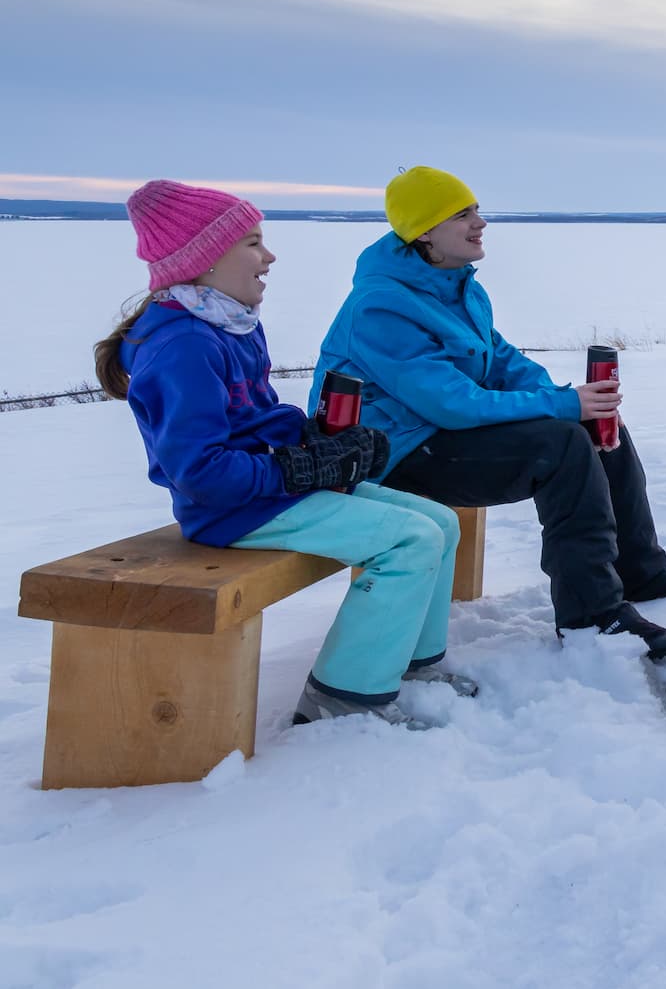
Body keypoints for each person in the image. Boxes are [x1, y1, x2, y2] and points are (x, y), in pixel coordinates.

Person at [310, 166, 666, 663]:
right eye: (461, 214)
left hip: (438, 435)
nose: (479, 222)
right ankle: (592, 616)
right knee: (562, 446)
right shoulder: (381, 307)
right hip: (392, 455)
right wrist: (563, 407)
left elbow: (501, 361)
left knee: (590, 428)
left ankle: (640, 571)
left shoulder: (457, 286)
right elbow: (452, 402)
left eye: (476, 209)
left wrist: (573, 401)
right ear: (424, 232)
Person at [97, 180, 472, 728]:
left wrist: (318, 442)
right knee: (410, 541)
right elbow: (199, 472)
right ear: (203, 261)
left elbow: (259, 418)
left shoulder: (229, 323)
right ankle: (343, 697)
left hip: (268, 492)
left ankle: (410, 663)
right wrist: (297, 468)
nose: (268, 255)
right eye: (252, 242)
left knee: (437, 520)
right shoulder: (185, 345)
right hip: (232, 512)